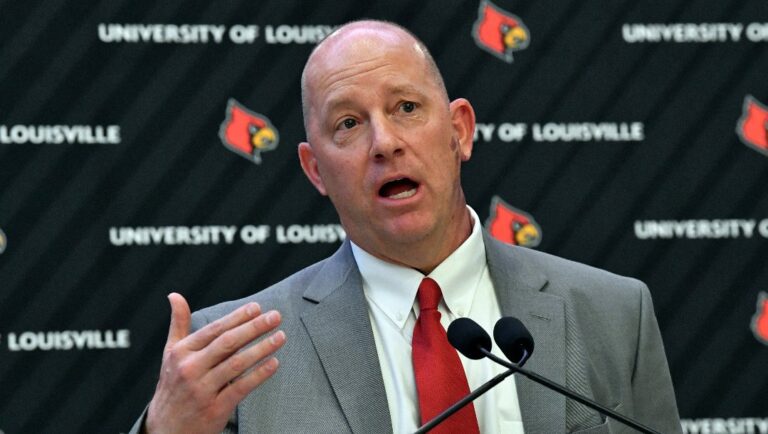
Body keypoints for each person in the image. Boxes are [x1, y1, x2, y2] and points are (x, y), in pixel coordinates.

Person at [131, 20, 682, 434]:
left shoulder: (613, 315)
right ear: (315, 170)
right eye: (348, 123)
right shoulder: (236, 350)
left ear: (459, 132)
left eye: (406, 108)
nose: (385, 142)